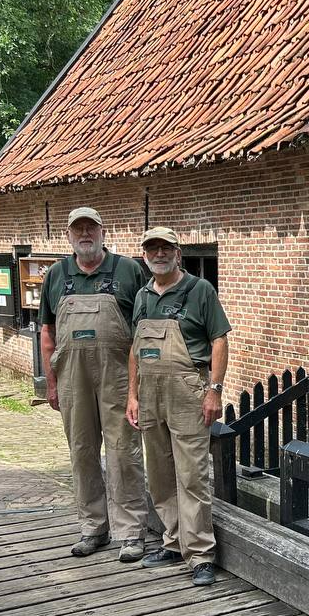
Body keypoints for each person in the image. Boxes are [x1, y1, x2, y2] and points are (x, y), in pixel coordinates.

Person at [40, 206, 149, 562]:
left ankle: (131, 531)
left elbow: (145, 328)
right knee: (82, 453)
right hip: (72, 378)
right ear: (69, 236)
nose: (85, 234)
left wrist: (138, 386)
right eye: (78, 229)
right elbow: (47, 332)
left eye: (91, 228)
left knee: (123, 453)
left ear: (103, 232)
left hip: (118, 376)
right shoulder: (57, 274)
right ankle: (92, 527)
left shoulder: (129, 270)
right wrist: (51, 384)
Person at [125, 226, 230, 587]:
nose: (159, 254)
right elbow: (135, 348)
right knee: (160, 473)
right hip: (150, 393)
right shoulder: (141, 296)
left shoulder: (200, 290)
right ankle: (173, 541)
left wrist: (214, 391)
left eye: (165, 248)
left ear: (177, 253)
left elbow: (219, 341)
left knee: (192, 476)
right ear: (145, 255)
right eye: (152, 249)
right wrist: (132, 395)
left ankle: (200, 554)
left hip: (188, 390)